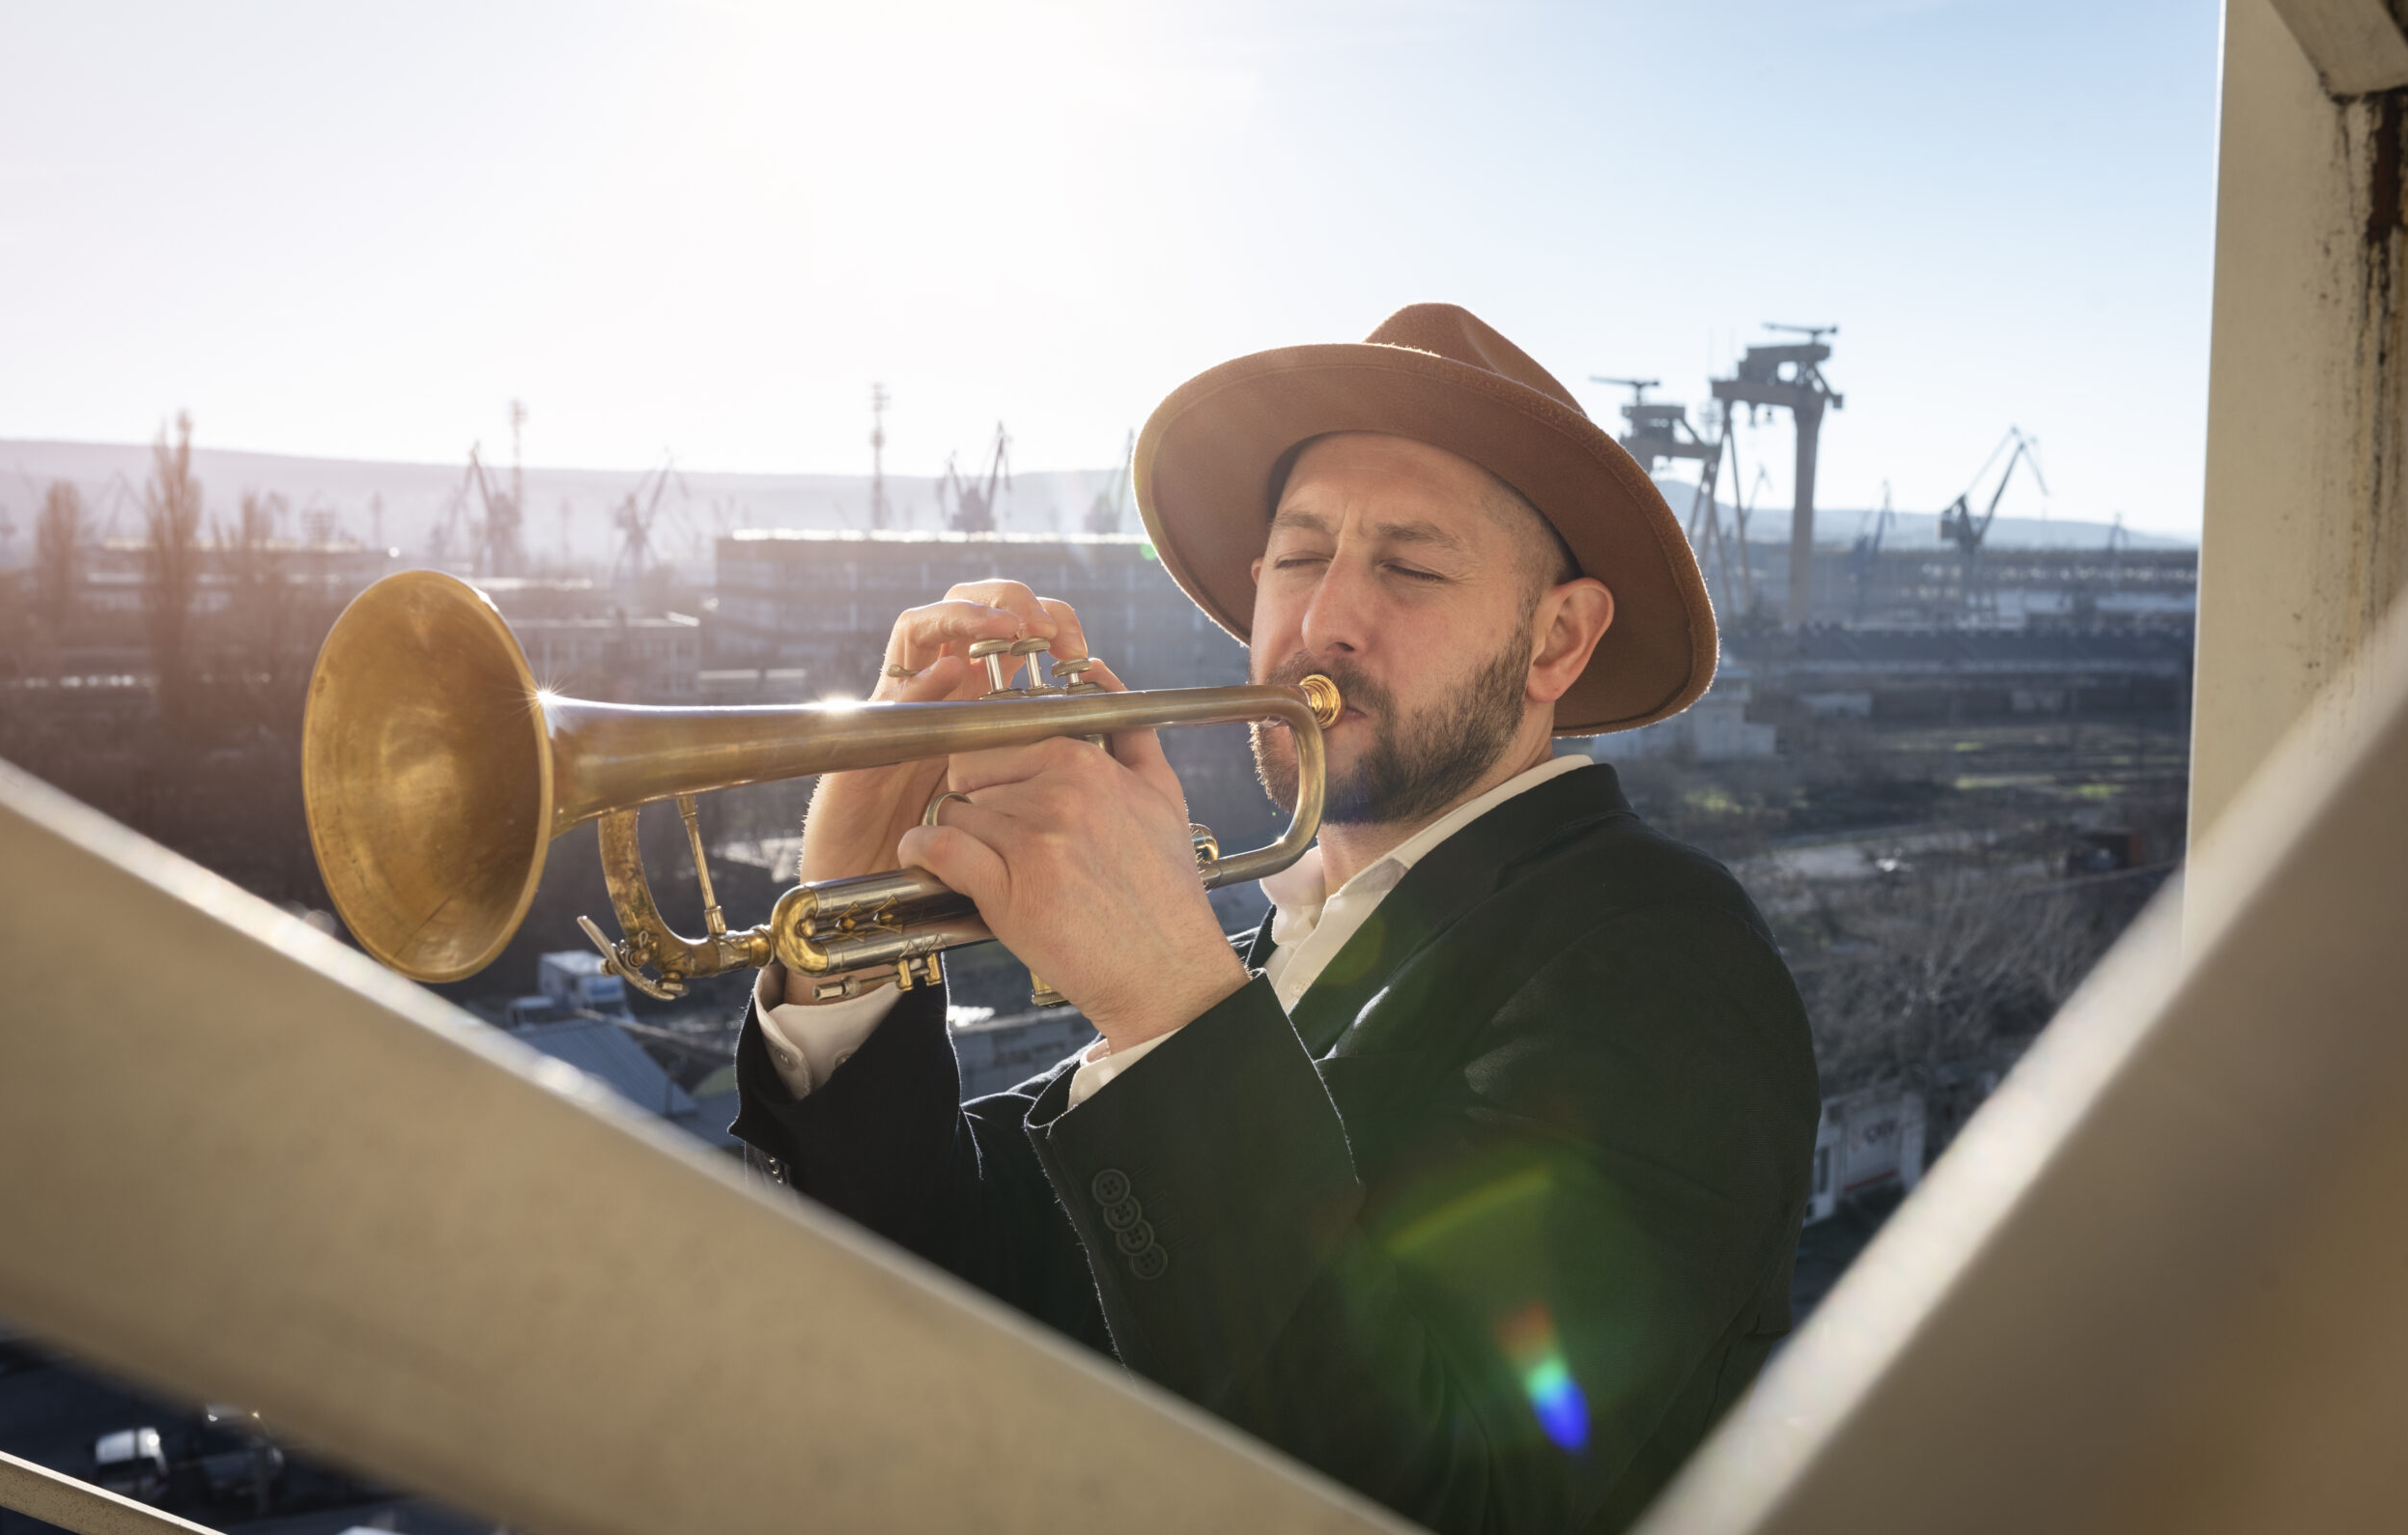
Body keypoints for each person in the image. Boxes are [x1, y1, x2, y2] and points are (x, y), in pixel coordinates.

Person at [731, 303, 1818, 1535]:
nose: (1326, 619)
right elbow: (947, 1291)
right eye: (1299, 559)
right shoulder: (1289, 950)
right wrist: (846, 950)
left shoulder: (1662, 956)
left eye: (1407, 565)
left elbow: (1447, 1492)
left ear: (1556, 638)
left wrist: (1169, 1009)